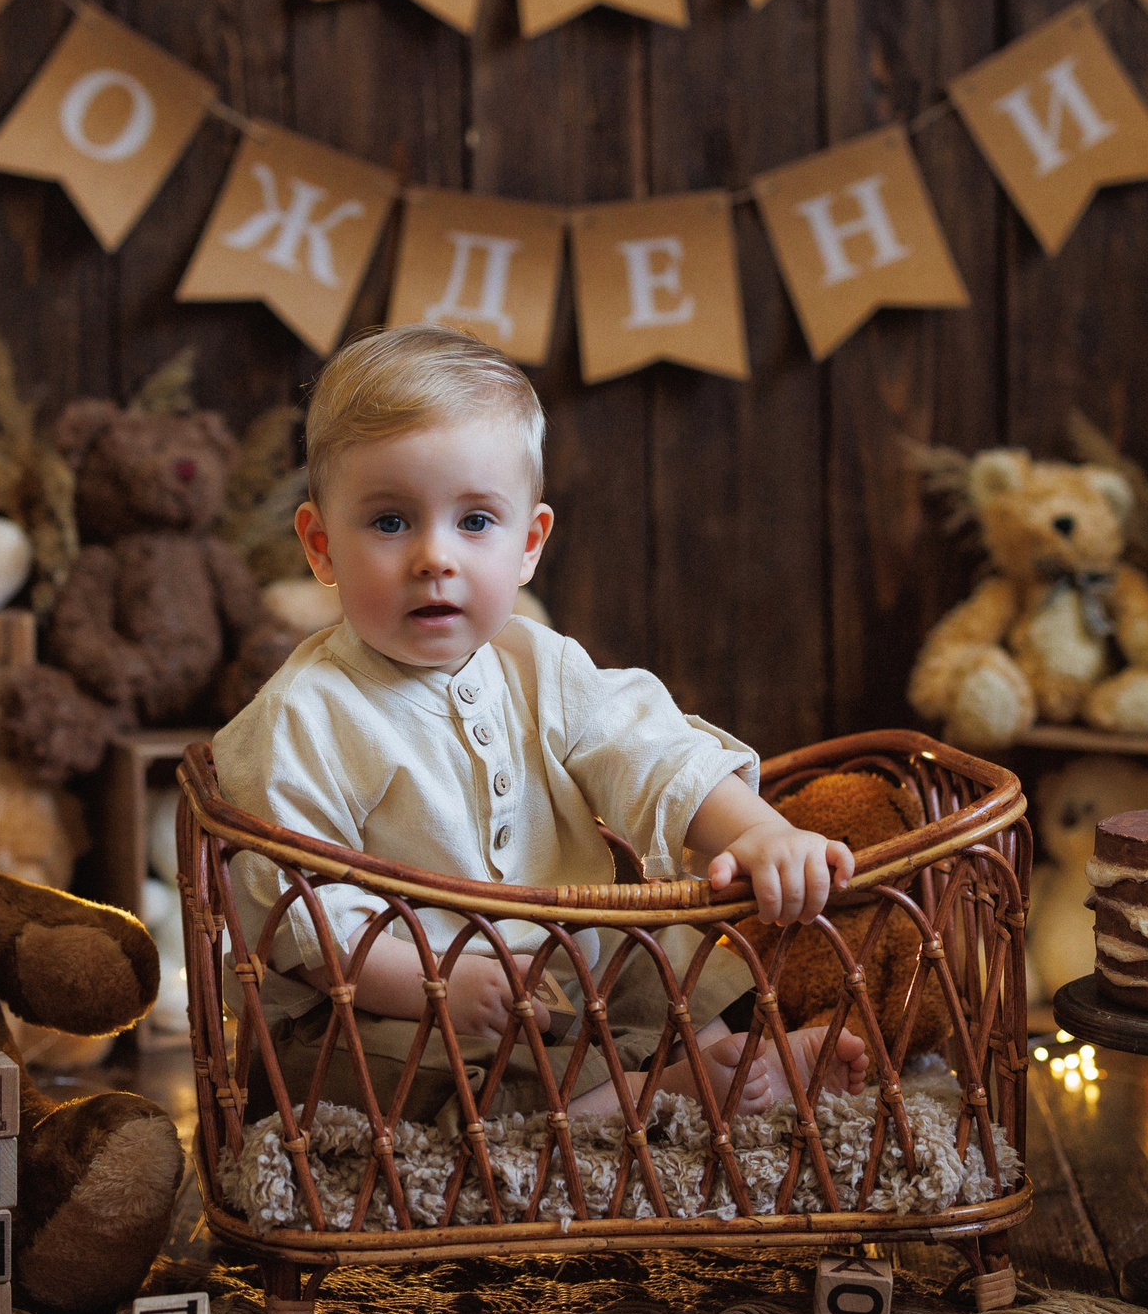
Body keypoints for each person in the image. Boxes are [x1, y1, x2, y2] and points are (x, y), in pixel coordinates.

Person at [214, 324, 867, 1122]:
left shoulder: (538, 665)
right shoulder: (306, 715)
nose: (434, 557)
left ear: (527, 545)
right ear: (321, 548)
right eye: (390, 522)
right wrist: (432, 984)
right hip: (390, 996)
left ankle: (738, 1058)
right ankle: (657, 1096)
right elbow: (303, 915)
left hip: (566, 962)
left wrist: (759, 832)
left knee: (662, 959)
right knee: (418, 1083)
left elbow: (653, 754)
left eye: (474, 522)